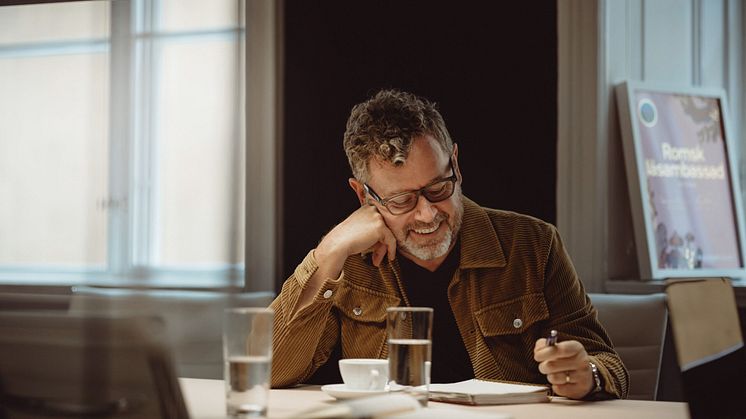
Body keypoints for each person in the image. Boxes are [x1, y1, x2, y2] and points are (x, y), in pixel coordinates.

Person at [270, 89, 628, 400]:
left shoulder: (534, 244)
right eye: (401, 201)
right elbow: (270, 371)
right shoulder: (349, 261)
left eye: (439, 188)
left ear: (455, 163)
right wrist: (329, 250)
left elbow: (608, 363)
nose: (427, 214)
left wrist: (588, 375)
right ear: (364, 195)